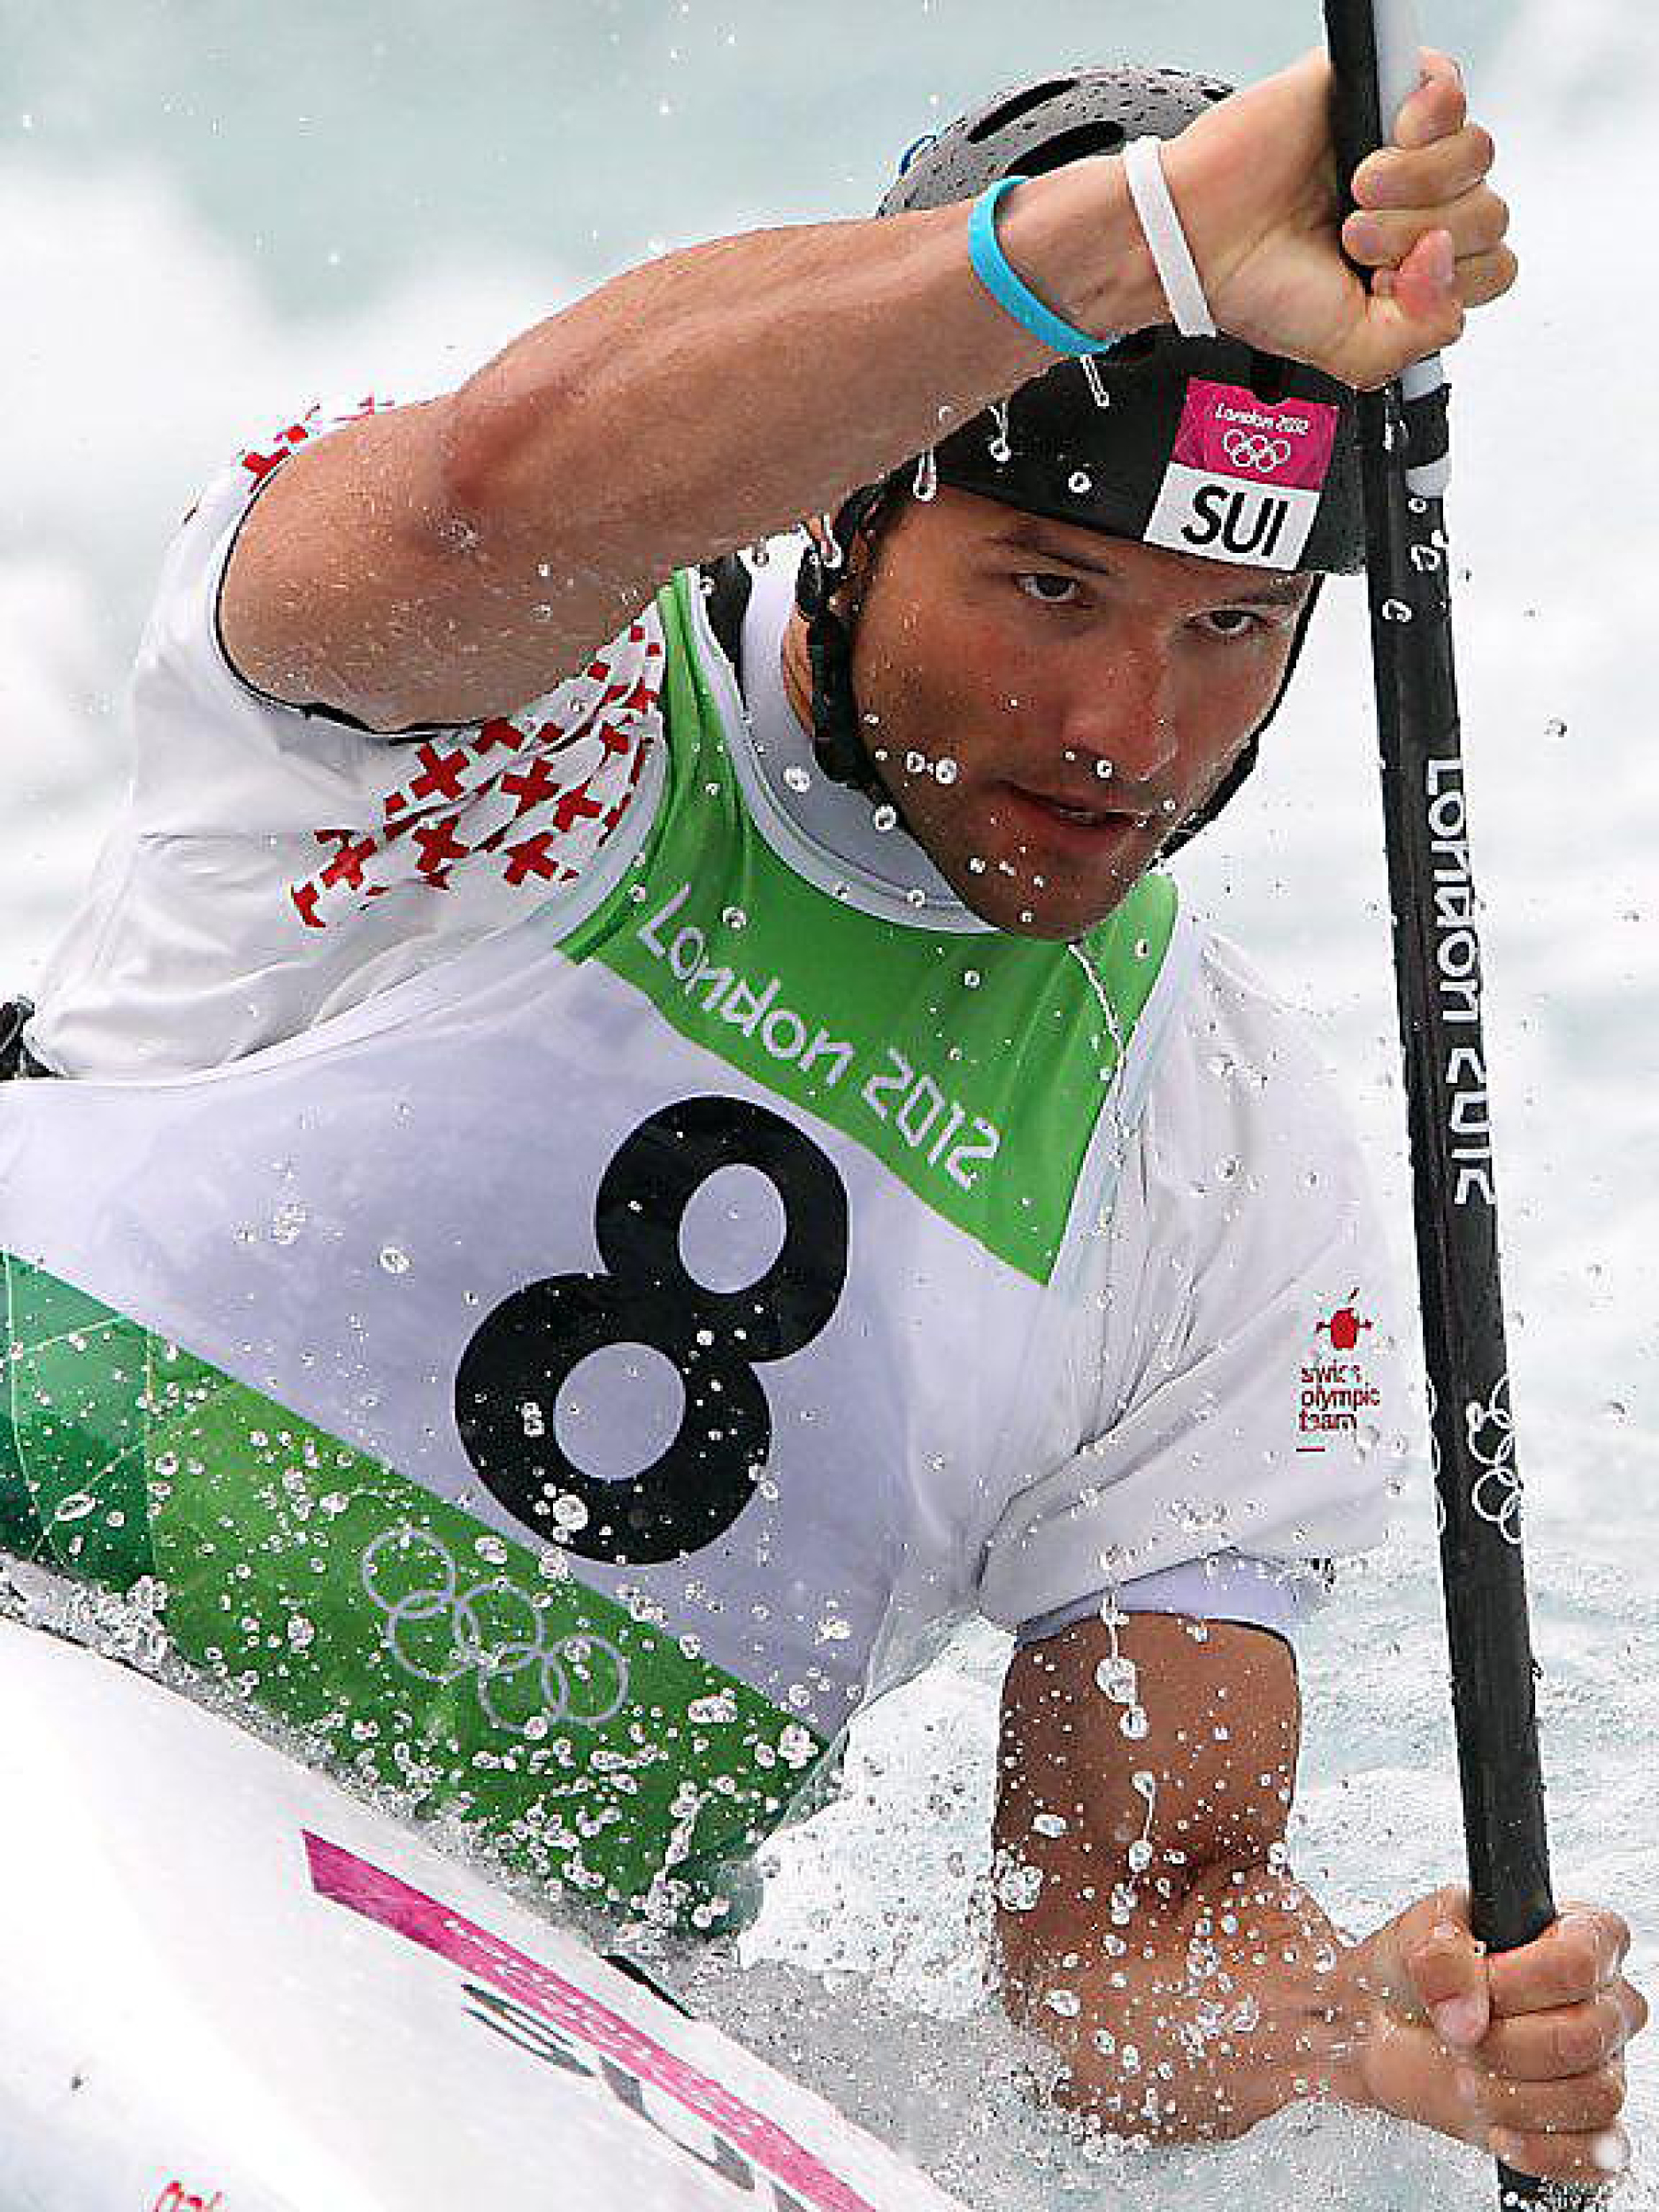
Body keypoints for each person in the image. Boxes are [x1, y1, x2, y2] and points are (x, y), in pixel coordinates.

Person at [0, 43, 1641, 2183]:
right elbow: (494, 483)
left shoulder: (1220, 1164)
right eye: (1046, 586)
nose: (1125, 725)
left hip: (491, 1986)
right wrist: (1130, 241)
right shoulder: (505, 714)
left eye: (1231, 626)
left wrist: (1358, 2022)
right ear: (853, 505)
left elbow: (1127, 1943)